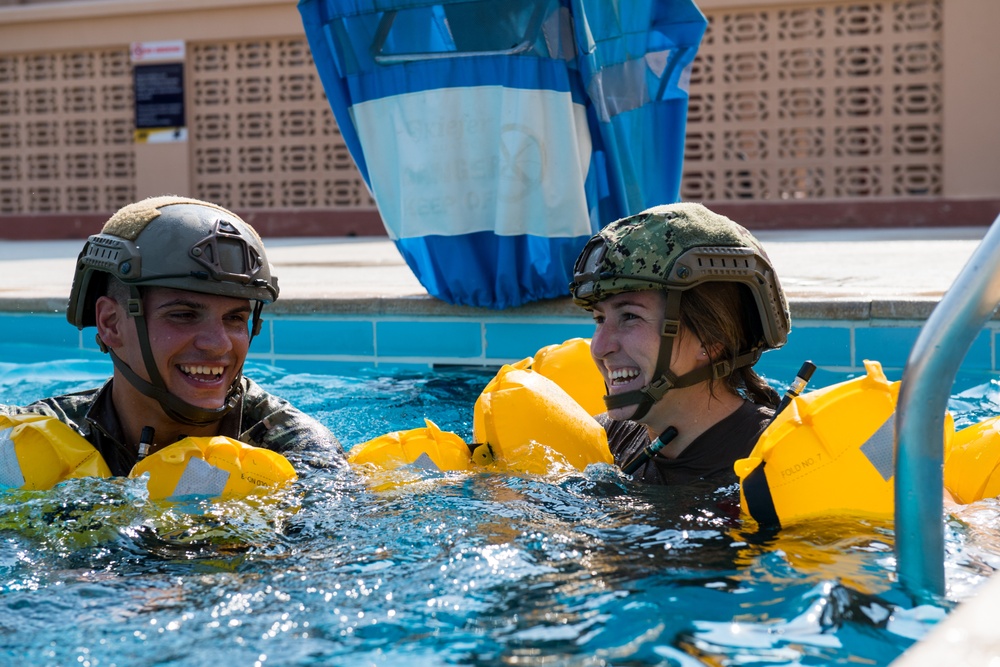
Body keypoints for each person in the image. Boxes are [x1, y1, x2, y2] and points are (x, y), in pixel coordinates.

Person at [3, 195, 345, 477]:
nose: (219, 344)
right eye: (183, 315)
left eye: (235, 318)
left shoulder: (296, 449)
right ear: (110, 323)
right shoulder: (48, 433)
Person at [568, 202, 790, 486]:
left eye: (630, 316)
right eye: (600, 319)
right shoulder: (606, 438)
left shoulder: (774, 461)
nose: (599, 348)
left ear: (712, 339)